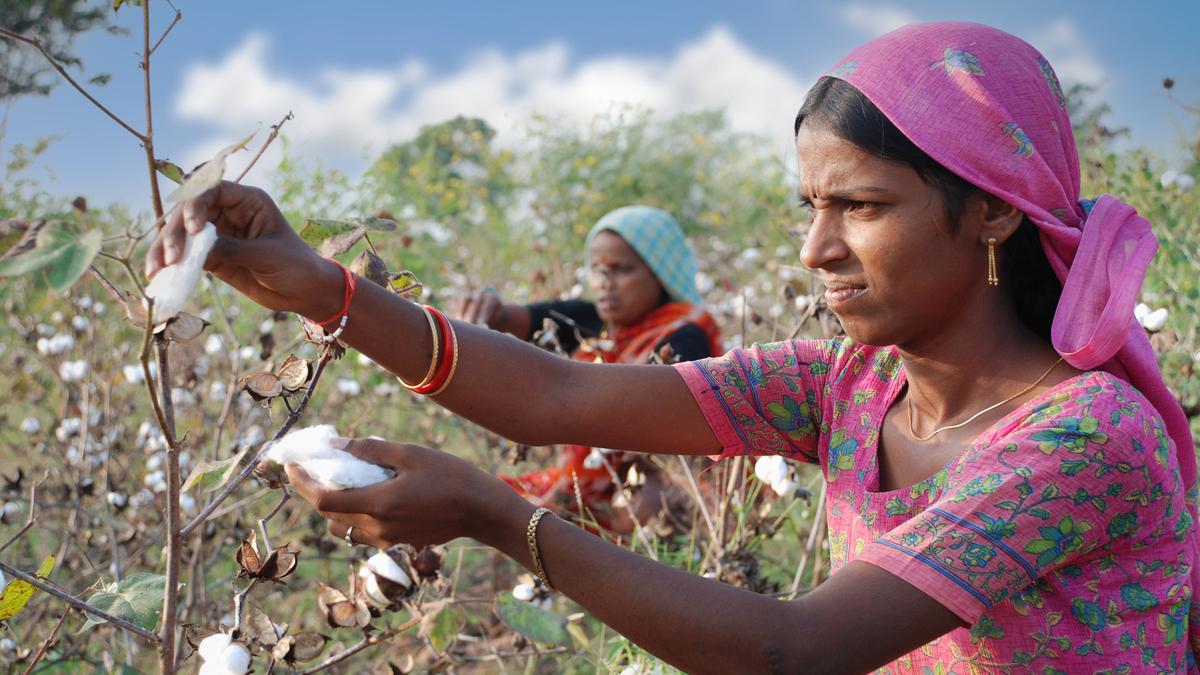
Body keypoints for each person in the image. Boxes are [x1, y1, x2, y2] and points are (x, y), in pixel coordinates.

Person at [147, 22, 1198, 674]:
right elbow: (557, 401)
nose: (817, 248)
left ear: (995, 216)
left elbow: (802, 650)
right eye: (810, 204)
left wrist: (496, 518)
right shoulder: (847, 384)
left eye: (863, 206)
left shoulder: (1084, 434)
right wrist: (324, 289)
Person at [452, 205, 721, 533]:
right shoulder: (587, 321)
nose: (604, 283)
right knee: (482, 500)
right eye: (596, 269)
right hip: (584, 485)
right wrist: (485, 307)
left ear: (659, 272)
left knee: (648, 515)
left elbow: (670, 445)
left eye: (622, 269)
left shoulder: (685, 335)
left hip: (657, 487)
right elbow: (508, 320)